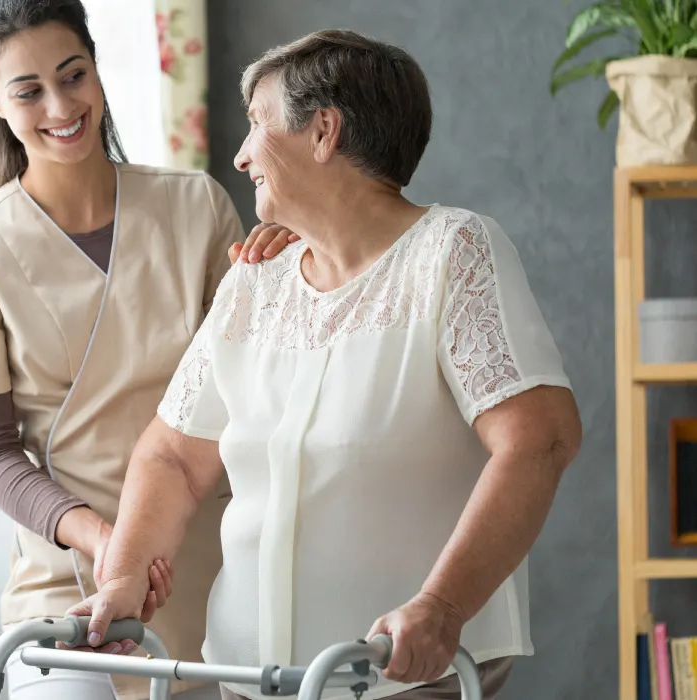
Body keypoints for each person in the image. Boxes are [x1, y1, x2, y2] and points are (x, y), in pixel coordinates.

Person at [66, 29, 584, 700]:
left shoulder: (452, 253)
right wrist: (125, 574)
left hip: (405, 674)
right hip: (251, 675)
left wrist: (443, 608)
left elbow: (540, 438)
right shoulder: (256, 281)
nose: (241, 154)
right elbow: (172, 454)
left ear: (323, 132)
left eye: (258, 125)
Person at [0, 1, 298, 698]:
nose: (61, 105)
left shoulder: (196, 207)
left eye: (74, 75)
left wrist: (289, 272)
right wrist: (104, 539)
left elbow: (261, 384)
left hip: (207, 579)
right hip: (65, 591)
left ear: (96, 70)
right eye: (29, 90)